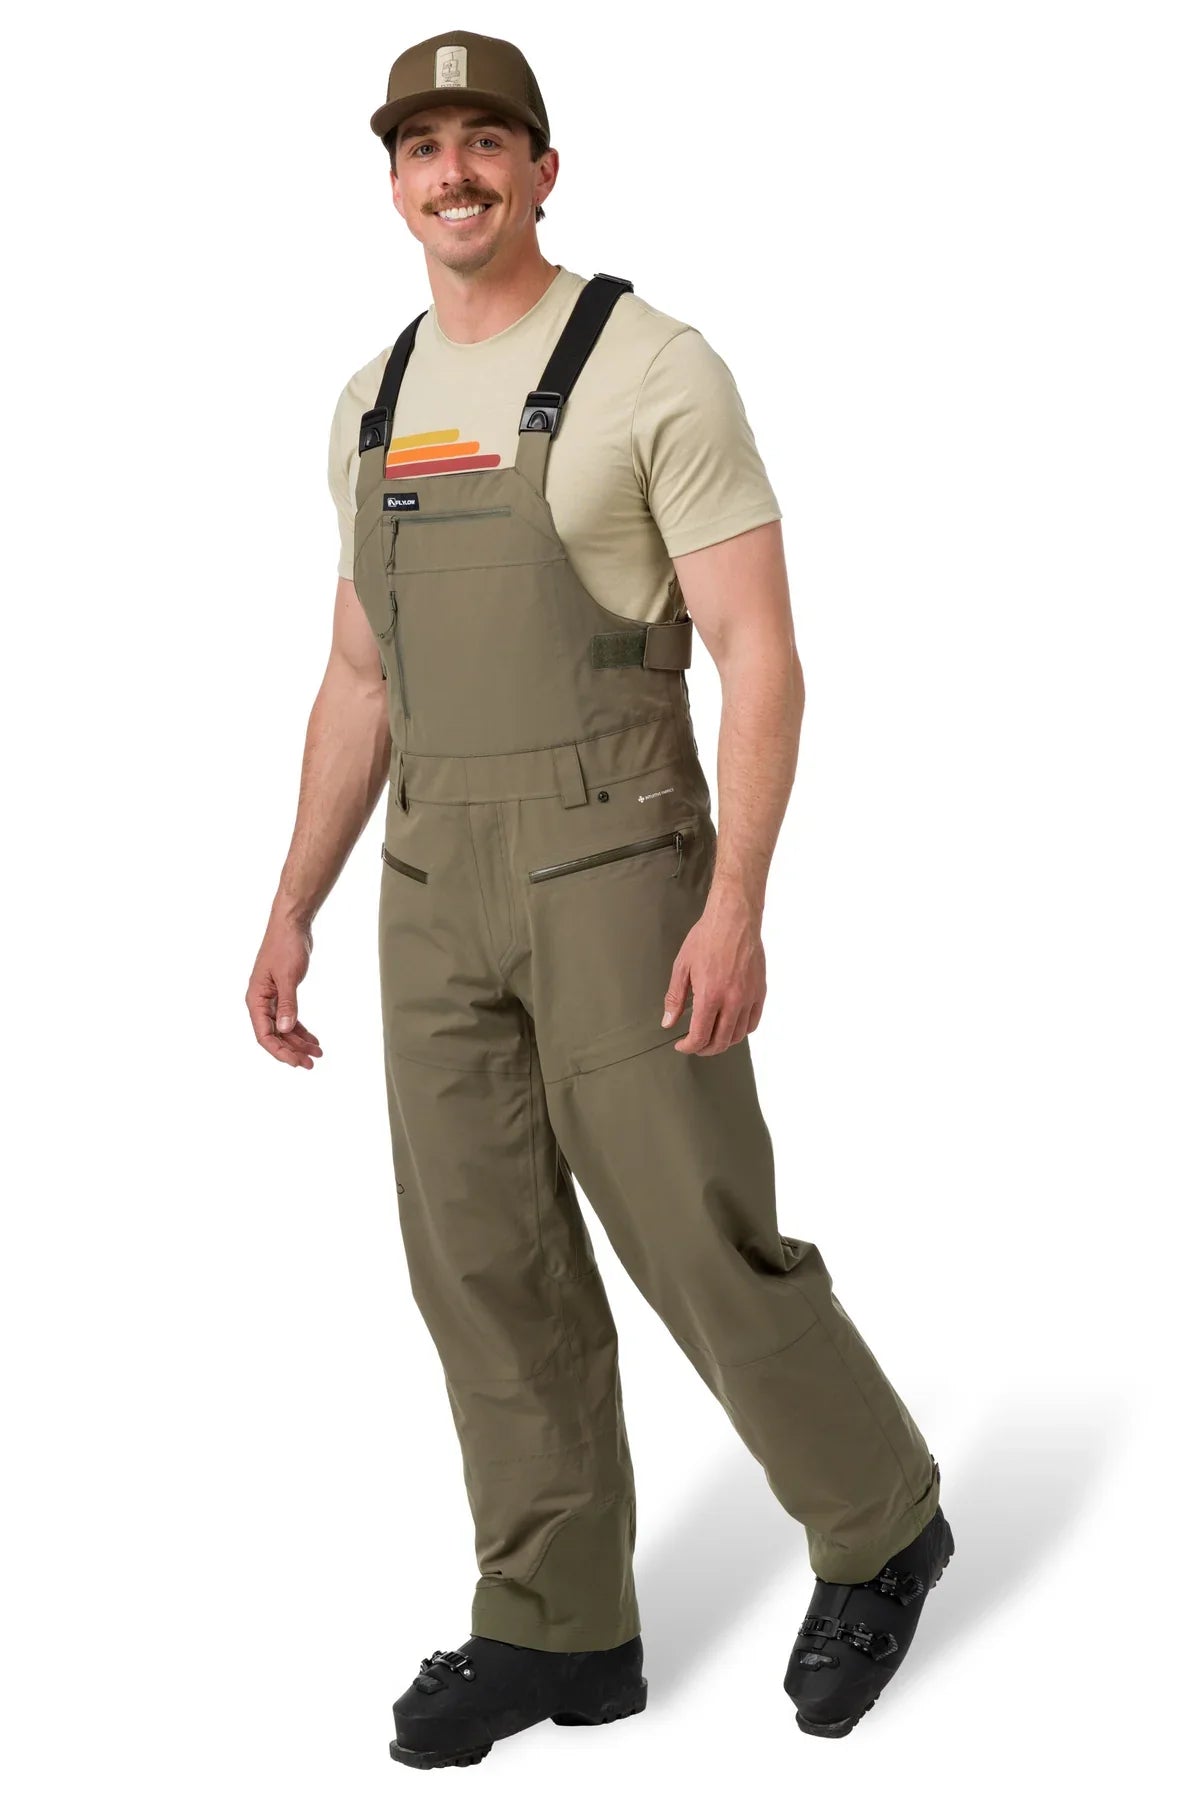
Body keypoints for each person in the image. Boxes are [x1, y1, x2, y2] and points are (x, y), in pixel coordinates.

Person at [245, 27, 953, 1768]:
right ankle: (557, 1624)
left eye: (487, 142)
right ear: (394, 181)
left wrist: (738, 902)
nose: (456, 173)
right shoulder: (373, 400)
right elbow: (361, 676)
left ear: (543, 170)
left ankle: (881, 1524)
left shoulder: (651, 367)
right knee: (482, 1263)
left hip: (616, 862)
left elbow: (760, 654)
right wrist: (293, 904)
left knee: (695, 1237)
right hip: (432, 880)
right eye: (424, 147)